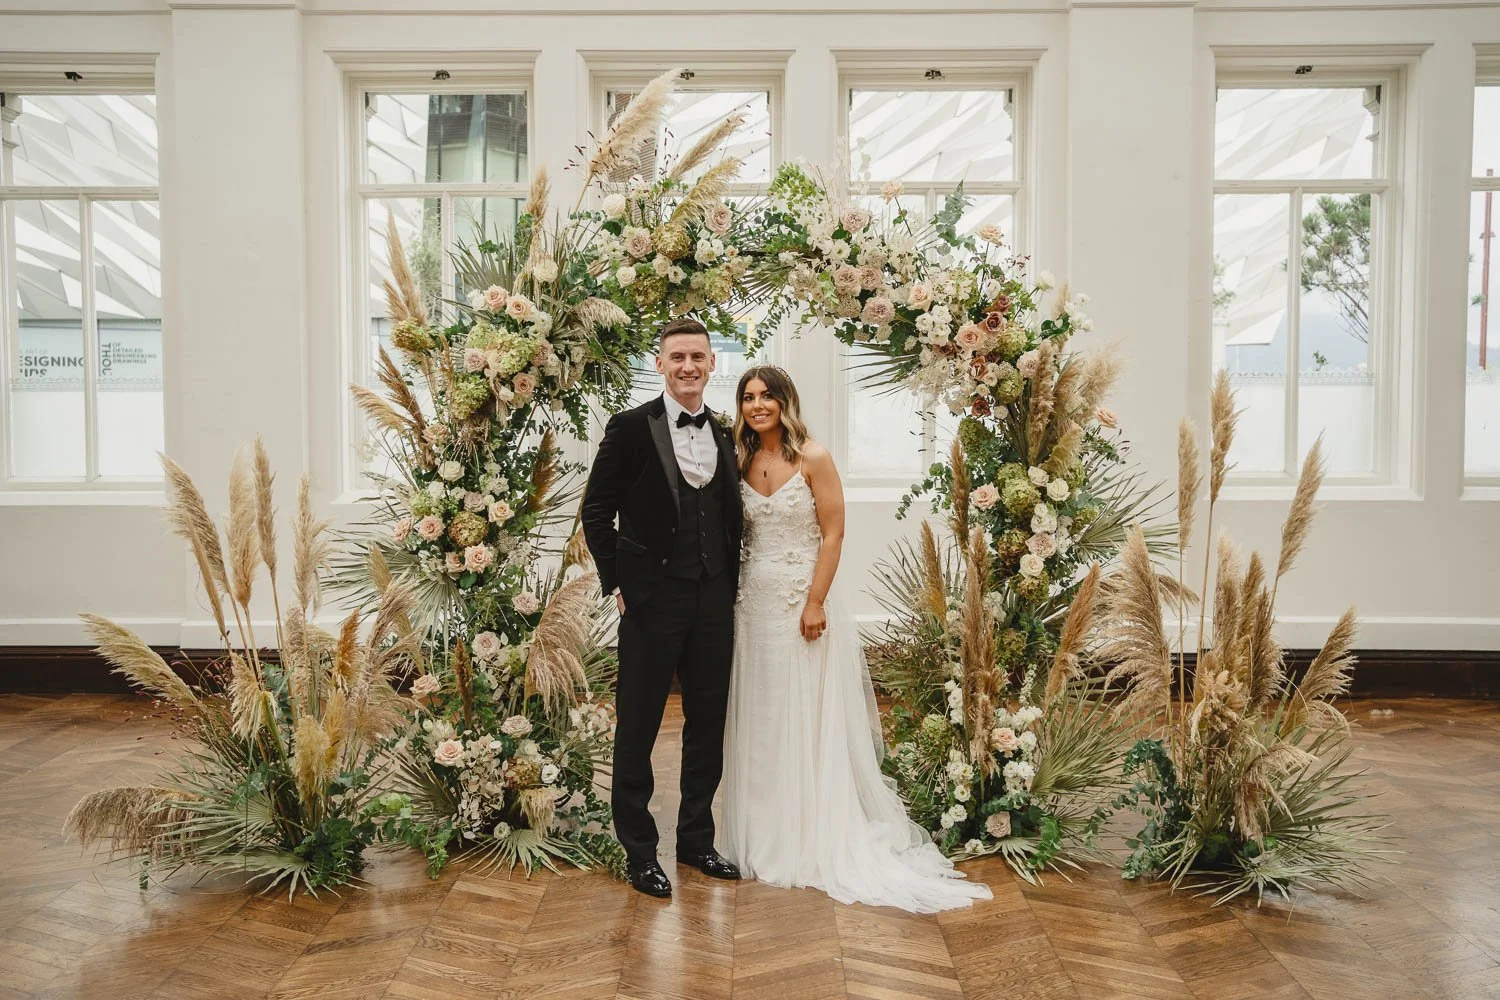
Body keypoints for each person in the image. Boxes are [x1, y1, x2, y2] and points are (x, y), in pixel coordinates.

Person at [719, 364, 992, 913]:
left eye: (767, 396)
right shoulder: (739, 458)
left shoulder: (812, 457)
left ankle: (809, 830)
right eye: (748, 397)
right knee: (762, 715)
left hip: (801, 603)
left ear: (785, 401)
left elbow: (833, 532)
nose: (756, 406)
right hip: (750, 606)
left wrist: (815, 600)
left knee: (805, 713)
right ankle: (762, 828)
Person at [581, 317, 743, 898]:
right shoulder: (628, 429)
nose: (688, 367)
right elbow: (596, 512)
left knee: (707, 724)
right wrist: (617, 581)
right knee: (640, 727)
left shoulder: (725, 431)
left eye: (698, 357)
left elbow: (728, 514)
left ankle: (696, 842)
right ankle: (640, 852)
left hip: (713, 599)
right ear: (660, 364)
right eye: (677, 357)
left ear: (711, 363)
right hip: (652, 599)